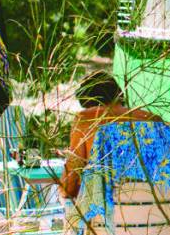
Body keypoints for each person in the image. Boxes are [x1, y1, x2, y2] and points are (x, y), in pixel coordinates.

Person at [58, 73, 158, 201]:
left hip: (106, 212)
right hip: (160, 210)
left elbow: (69, 187)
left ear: (85, 99)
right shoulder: (152, 119)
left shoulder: (85, 119)